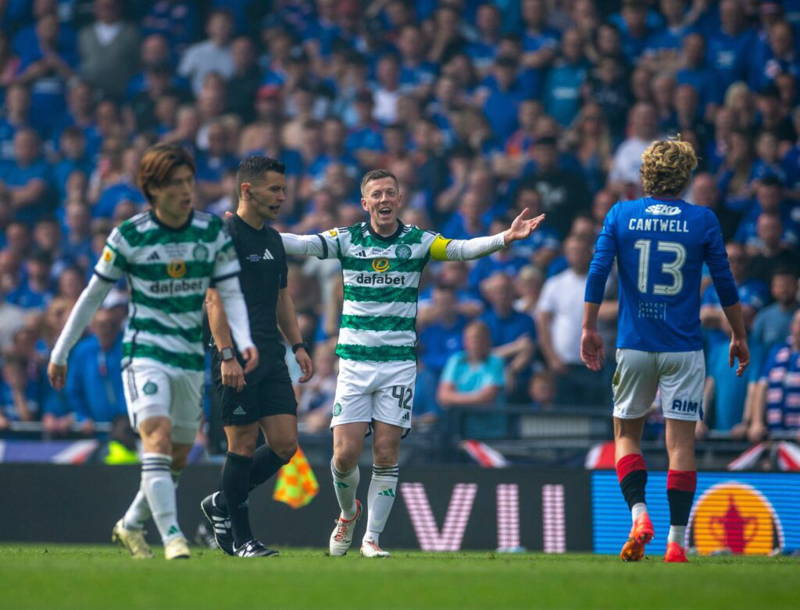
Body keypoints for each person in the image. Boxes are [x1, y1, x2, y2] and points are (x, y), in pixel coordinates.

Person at [281, 168, 544, 557]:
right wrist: (255, 232)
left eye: (390, 192)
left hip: (398, 364)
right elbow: (301, 244)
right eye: (377, 194)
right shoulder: (347, 239)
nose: (384, 199)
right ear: (365, 203)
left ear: (399, 199)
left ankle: (371, 539)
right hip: (354, 363)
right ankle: (348, 513)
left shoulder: (417, 242)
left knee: (386, 451)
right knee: (344, 456)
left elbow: (461, 249)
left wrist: (505, 237)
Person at [47, 144, 256, 560]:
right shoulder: (129, 236)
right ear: (153, 189)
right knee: (156, 436)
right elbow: (92, 296)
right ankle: (173, 537)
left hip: (188, 356)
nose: (186, 190)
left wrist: (244, 340)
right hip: (145, 351)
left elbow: (230, 291)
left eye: (189, 181)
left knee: (176, 455)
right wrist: (61, 349)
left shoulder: (211, 232)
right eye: (176, 183)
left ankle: (130, 524)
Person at [581, 139, 749, 563]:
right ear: (686, 176)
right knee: (681, 445)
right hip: (684, 348)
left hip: (635, 345)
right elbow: (725, 281)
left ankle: (639, 515)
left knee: (626, 435)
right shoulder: (703, 219)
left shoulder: (621, 214)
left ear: (645, 175)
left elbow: (598, 271)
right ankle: (676, 543)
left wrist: (588, 326)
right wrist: (738, 333)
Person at [200, 156, 313, 558]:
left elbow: (283, 297)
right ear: (247, 190)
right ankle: (243, 539)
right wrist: (226, 354)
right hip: (235, 357)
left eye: (283, 189)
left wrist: (297, 345)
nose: (282, 197)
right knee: (243, 445)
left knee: (284, 444)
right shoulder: (223, 236)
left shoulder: (273, 240)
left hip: (271, 354)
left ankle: (221, 501)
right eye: (274, 189)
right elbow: (213, 299)